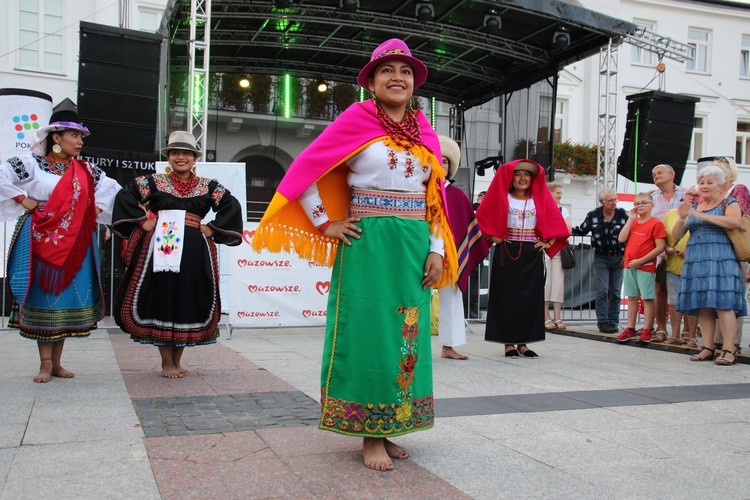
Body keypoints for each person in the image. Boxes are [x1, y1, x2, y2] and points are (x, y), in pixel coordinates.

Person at [250, 38, 457, 472]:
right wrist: (326, 223)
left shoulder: (427, 131)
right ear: (372, 82)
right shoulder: (356, 119)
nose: (396, 77)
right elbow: (305, 171)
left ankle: (391, 422)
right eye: (386, 71)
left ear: (414, 82)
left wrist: (437, 249)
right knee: (367, 332)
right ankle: (368, 432)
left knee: (407, 331)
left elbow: (434, 196)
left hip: (415, 244)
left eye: (404, 71)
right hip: (368, 244)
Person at [0, 99, 120, 383]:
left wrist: (94, 212)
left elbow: (111, 190)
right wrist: (23, 199)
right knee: (45, 296)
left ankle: (57, 363)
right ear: (56, 137)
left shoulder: (87, 170)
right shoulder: (31, 164)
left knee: (64, 295)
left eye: (81, 137)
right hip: (39, 236)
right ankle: (44, 363)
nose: (79, 142)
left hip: (76, 239)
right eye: (74, 136)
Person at [111, 131, 243, 378]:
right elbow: (125, 196)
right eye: (175, 153)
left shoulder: (209, 186)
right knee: (163, 296)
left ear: (194, 158)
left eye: (186, 153)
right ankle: (166, 363)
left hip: (194, 250)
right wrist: (142, 221)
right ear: (169, 157)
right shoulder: (153, 182)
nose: (180, 157)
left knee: (186, 297)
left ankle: (178, 359)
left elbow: (231, 205)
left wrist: (211, 228)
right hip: (161, 247)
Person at [476, 159, 569, 358]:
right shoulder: (503, 197)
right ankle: (508, 343)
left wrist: (549, 243)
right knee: (506, 297)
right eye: (518, 174)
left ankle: (524, 343)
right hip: (506, 250)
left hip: (531, 252)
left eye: (526, 175)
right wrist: (493, 237)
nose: (522, 178)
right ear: (511, 178)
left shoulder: (539, 199)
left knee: (529, 298)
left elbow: (556, 222)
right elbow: (483, 218)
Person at [674, 165, 745, 365]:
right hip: (697, 258)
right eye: (702, 182)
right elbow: (676, 235)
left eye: (709, 182)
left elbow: (734, 222)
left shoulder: (729, 202)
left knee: (724, 304)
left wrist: (701, 216)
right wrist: (681, 217)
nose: (704, 186)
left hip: (721, 257)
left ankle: (729, 349)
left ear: (720, 185)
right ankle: (708, 347)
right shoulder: (695, 208)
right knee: (703, 304)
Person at [436, 135, 490, 360]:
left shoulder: (456, 195)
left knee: (451, 298)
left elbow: (465, 227)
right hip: (417, 250)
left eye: (445, 161)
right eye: (436, 158)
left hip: (450, 256)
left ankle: (449, 346)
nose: (440, 163)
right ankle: (408, 343)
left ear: (450, 167)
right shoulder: (416, 191)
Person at [571, 188, 629, 334]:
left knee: (615, 291)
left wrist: (626, 255)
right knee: (602, 290)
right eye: (610, 200)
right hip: (601, 256)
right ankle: (603, 322)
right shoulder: (593, 215)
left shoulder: (622, 214)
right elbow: (581, 230)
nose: (614, 203)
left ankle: (614, 321)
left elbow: (630, 233)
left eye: (615, 200)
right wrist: (563, 228)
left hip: (618, 256)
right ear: (602, 201)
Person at [615, 192, 666, 344]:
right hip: (629, 265)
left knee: (647, 298)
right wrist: (630, 219)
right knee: (632, 297)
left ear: (652, 205)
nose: (640, 206)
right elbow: (621, 238)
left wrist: (641, 261)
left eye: (643, 203)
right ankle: (630, 328)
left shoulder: (656, 223)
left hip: (646, 266)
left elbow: (660, 247)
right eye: (637, 203)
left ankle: (647, 328)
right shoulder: (633, 222)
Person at [711, 156, 748, 354]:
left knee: (734, 297)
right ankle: (718, 340)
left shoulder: (738, 190)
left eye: (718, 170)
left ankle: (733, 342)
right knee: (717, 296)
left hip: (734, 249)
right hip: (715, 250)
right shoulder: (711, 193)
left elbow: (737, 217)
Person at [650, 164, 685, 343]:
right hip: (659, 250)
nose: (656, 176)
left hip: (682, 250)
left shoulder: (686, 195)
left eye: (659, 173)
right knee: (659, 289)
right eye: (654, 174)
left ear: (672, 174)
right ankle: (661, 328)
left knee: (683, 290)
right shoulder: (651, 198)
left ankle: (685, 333)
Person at [661, 185, 699, 346]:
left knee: (692, 301)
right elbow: (662, 235)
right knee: (674, 301)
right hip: (673, 263)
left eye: (695, 195)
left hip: (694, 264)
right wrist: (666, 248)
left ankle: (690, 335)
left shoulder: (701, 212)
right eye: (689, 194)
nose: (691, 197)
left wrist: (690, 250)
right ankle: (675, 334)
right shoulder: (671, 214)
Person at [544, 182, 572, 331]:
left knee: (558, 283)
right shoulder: (542, 207)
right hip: (544, 248)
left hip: (558, 247)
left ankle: (557, 316)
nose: (560, 195)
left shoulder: (563, 210)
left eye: (561, 193)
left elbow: (568, 229)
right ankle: (545, 316)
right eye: (558, 193)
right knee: (546, 282)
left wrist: (555, 231)